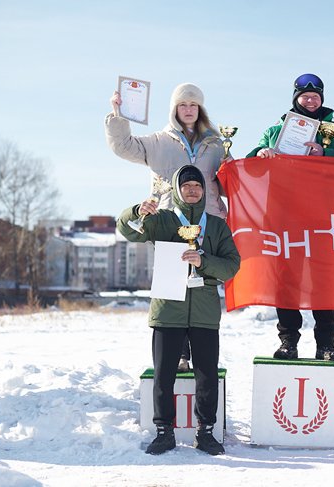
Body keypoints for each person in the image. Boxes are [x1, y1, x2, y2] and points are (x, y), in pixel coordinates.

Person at [117, 165, 240, 455]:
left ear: (204, 190)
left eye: (197, 185)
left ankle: (206, 432)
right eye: (187, 186)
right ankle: (164, 432)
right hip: (167, 309)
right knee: (164, 374)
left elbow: (232, 265)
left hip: (205, 312)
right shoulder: (162, 220)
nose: (193, 190)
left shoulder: (217, 225)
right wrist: (137, 211)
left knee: (207, 374)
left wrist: (203, 262)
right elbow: (126, 231)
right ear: (177, 190)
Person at [107, 82, 229, 372]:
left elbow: (229, 180)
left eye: (193, 105)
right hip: (169, 223)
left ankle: (201, 355)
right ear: (174, 109)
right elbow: (123, 146)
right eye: (182, 105)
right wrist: (118, 116)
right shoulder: (158, 141)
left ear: (200, 109)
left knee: (203, 287)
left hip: (207, 222)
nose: (188, 110)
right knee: (172, 287)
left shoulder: (216, 144)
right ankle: (178, 354)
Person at [246, 73, 334, 361]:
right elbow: (252, 165)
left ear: (322, 99)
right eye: (305, 96)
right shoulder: (275, 130)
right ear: (296, 98)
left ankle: (326, 345)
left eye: (315, 96)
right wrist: (261, 152)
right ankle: (288, 341)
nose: (310, 100)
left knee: (324, 282)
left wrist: (326, 153)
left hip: (324, 217)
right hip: (285, 216)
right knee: (287, 280)